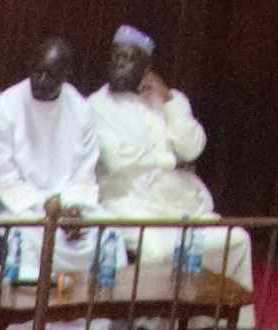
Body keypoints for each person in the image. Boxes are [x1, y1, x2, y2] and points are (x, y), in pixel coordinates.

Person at [72, 25, 242, 293]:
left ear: (146, 66)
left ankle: (212, 317)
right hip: (129, 205)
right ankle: (153, 318)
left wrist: (169, 100)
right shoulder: (96, 105)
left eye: (129, 58)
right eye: (115, 56)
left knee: (237, 239)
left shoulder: (171, 99)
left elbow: (192, 149)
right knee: (156, 249)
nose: (119, 64)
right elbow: (117, 159)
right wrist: (171, 162)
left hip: (180, 204)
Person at [0, 31, 96, 285]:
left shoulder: (81, 110)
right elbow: (3, 180)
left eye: (51, 75)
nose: (40, 80)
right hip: (23, 210)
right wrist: (52, 210)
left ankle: (92, 311)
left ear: (66, 75)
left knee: (106, 238)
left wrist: (73, 210)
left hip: (69, 211)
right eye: (37, 71)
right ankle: (31, 309)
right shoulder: (3, 109)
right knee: (26, 240)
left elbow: (85, 175)